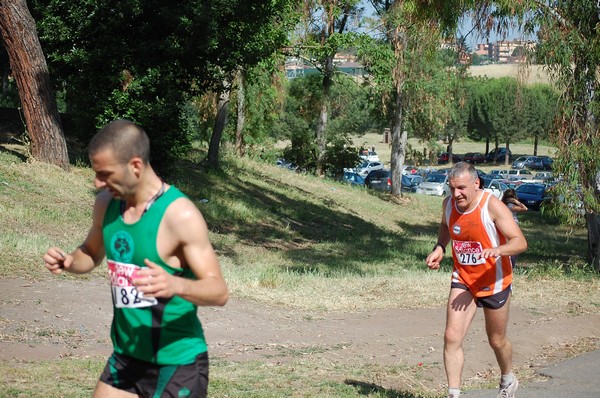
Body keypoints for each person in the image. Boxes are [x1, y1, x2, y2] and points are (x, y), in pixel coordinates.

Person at [42, 119, 229, 398]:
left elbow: (219, 291)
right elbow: (91, 253)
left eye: (105, 174)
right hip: (127, 357)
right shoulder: (106, 204)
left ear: (136, 166)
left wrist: (176, 285)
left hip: (177, 363)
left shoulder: (180, 215)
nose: (97, 182)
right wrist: (70, 261)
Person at [425, 162, 527, 398]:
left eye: (461, 188)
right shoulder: (449, 205)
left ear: (476, 183)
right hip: (464, 278)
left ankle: (507, 379)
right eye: (452, 188)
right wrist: (440, 246)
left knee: (496, 340)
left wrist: (499, 250)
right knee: (451, 336)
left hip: (495, 280)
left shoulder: (492, 205)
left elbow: (520, 242)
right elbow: (445, 225)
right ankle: (453, 393)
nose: (456, 194)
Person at [501, 189, 528, 268]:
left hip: (503, 226)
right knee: (513, 245)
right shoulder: (511, 206)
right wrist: (516, 202)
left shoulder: (502, 204)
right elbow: (525, 208)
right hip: (512, 227)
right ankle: (511, 264)